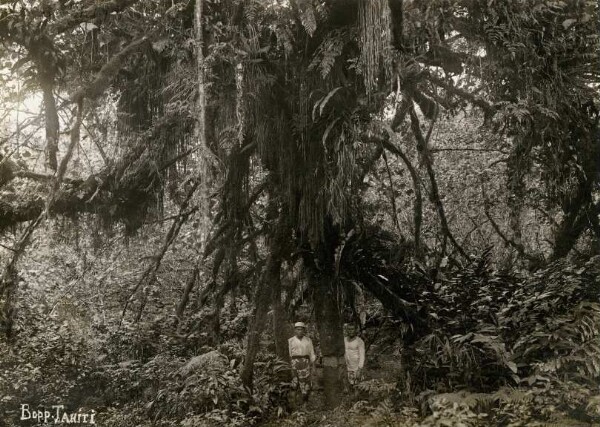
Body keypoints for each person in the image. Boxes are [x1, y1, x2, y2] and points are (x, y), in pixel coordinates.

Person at [288, 321, 316, 405]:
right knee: (294, 383)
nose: (299, 331)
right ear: (295, 330)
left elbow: (312, 353)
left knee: (306, 384)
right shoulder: (290, 340)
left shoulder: (308, 340)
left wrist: (313, 366)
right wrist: (291, 367)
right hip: (295, 363)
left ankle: (305, 403)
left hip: (305, 363)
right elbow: (289, 355)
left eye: (301, 329)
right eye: (298, 329)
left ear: (304, 331)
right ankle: (294, 404)